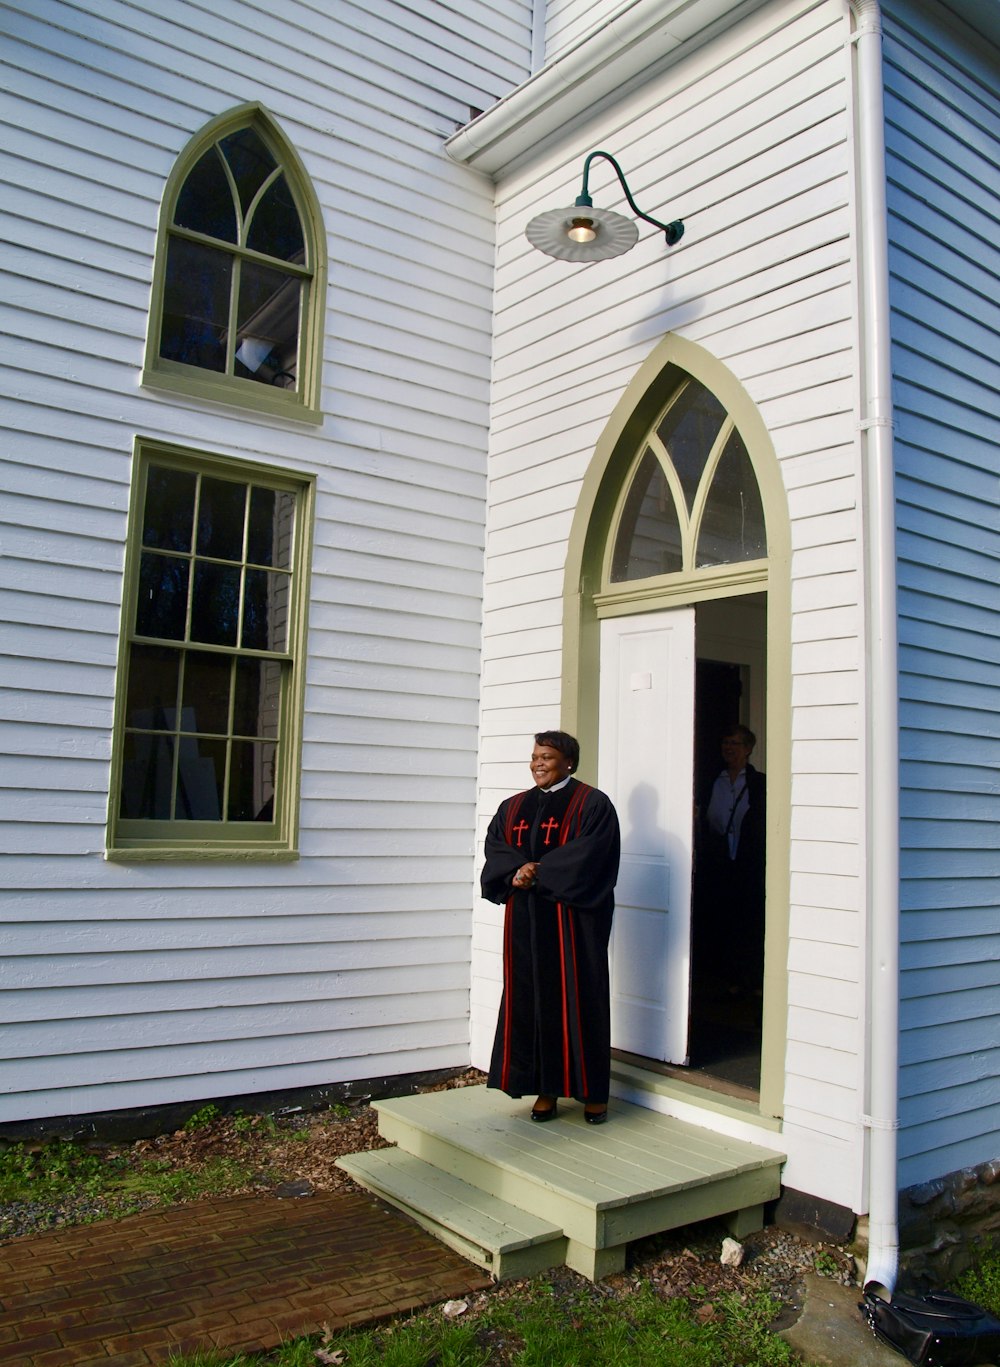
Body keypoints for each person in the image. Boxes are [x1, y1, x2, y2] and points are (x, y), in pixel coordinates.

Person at [482, 730, 621, 1125]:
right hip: (526, 921)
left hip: (572, 921)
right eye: (535, 756)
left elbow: (593, 856)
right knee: (532, 1001)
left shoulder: (592, 804)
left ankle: (593, 1093)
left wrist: (539, 871)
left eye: (547, 756)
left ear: (569, 762)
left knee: (580, 999)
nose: (538, 763)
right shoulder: (513, 808)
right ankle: (545, 1089)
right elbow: (498, 849)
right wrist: (515, 872)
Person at [696, 725, 766, 995]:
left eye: (735, 743)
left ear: (748, 749)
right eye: (726, 742)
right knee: (723, 918)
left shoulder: (758, 782)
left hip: (748, 862)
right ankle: (729, 977)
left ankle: (752, 978)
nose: (729, 748)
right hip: (719, 861)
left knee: (748, 919)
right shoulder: (713, 780)